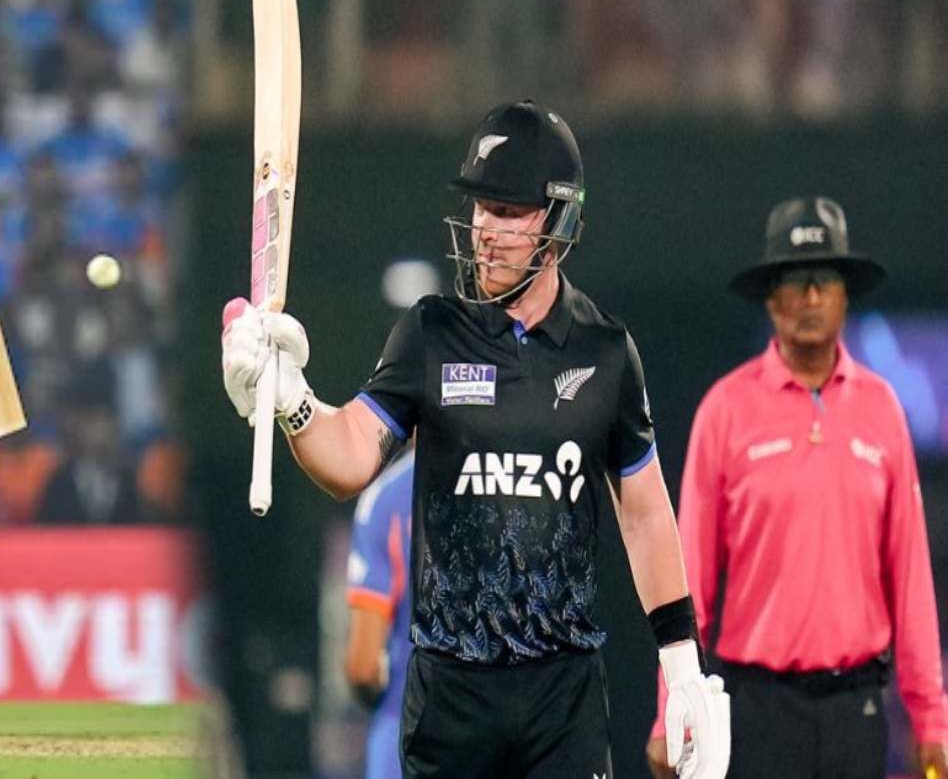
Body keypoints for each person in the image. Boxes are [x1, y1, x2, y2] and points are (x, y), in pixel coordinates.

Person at [221, 100, 731, 778]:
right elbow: (348, 458)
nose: (485, 229)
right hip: (450, 698)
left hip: (564, 700)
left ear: (559, 219)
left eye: (508, 211)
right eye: (481, 207)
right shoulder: (430, 333)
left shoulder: (606, 353)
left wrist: (682, 664)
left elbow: (644, 516)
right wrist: (293, 401)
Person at [646, 197, 948, 779]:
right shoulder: (726, 410)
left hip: (856, 707)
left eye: (824, 281)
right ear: (770, 297)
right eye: (793, 281)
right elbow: (690, 583)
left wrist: (931, 719)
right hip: (758, 709)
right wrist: (671, 711)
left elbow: (910, 576)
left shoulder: (882, 409)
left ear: (844, 296)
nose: (810, 297)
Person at [345, 446, 415, 779]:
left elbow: (363, 667)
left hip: (408, 727)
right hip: (519, 732)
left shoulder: (390, 496)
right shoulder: (536, 480)